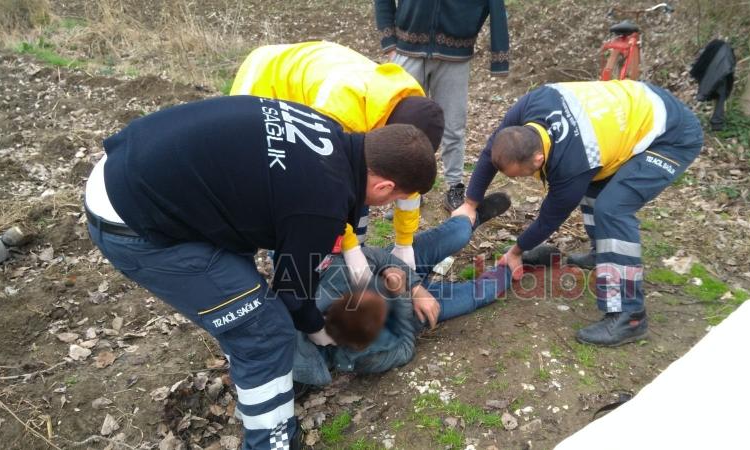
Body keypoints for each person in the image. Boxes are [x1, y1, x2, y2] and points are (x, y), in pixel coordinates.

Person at [84, 95, 436, 449]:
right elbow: (292, 296)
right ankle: (273, 441)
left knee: (250, 307)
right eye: (392, 201)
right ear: (385, 187)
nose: (384, 206)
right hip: (134, 220)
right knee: (265, 332)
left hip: (130, 167)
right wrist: (320, 333)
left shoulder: (327, 130)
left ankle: (258, 376)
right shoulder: (324, 201)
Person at [453, 80, 703, 347]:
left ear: (538, 160)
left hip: (672, 135)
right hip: (631, 113)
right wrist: (470, 203)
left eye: (521, 175)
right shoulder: (528, 107)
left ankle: (630, 316)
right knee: (596, 185)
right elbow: (491, 152)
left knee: (613, 209)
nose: (519, 180)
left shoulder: (573, 163)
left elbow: (550, 217)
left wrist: (516, 252)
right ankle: (604, 255)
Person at [230, 40, 445, 305]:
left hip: (321, 76)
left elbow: (405, 182)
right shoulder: (339, 114)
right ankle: (286, 280)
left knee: (359, 191)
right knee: (290, 203)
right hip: (265, 84)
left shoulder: (413, 107)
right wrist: (351, 249)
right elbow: (323, 187)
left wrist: (404, 241)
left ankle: (339, 264)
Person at [290, 192, 513, 386]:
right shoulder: (362, 357)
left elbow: (374, 256)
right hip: (415, 312)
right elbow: (405, 349)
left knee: (458, 234)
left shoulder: (323, 284)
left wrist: (411, 283)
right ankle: (514, 266)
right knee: (480, 295)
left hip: (398, 266)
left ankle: (470, 219)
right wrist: (403, 298)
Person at [374, 0, 510, 212]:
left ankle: (454, 186)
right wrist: (389, 42)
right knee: (401, 126)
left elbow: (496, 5)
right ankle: (406, 189)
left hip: (455, 55)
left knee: (454, 125)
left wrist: (499, 55)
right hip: (406, 49)